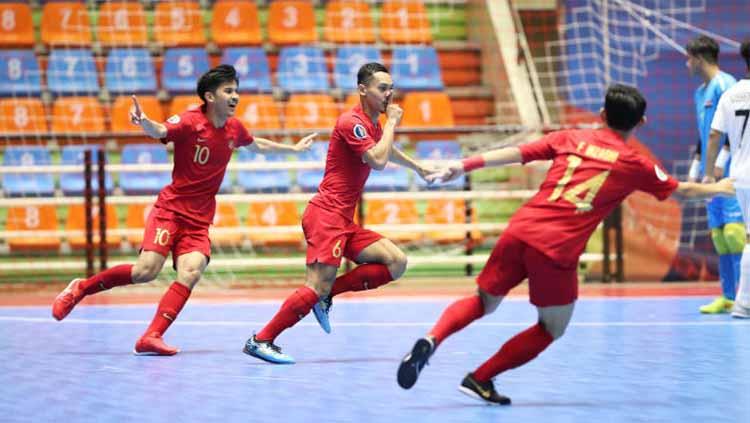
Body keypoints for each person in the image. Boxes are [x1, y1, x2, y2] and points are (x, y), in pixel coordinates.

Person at [396, 84, 736, 405]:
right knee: (550, 327)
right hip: (556, 250)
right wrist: (722, 188)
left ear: (602, 114)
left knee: (482, 301)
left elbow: (518, 153)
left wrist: (463, 165)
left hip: (520, 230)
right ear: (641, 122)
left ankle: (432, 338)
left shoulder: (569, 137)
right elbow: (683, 190)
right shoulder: (636, 164)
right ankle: (481, 378)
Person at [51, 65, 316, 355]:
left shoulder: (234, 128)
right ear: (209, 96)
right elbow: (161, 130)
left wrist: (292, 149)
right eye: (228, 91)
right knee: (145, 272)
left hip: (199, 221)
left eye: (236, 90)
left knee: (191, 271)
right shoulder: (190, 121)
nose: (235, 96)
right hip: (171, 211)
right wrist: (144, 122)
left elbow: (256, 145)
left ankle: (151, 336)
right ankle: (82, 288)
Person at [243, 62, 435, 364]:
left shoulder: (371, 124)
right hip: (326, 216)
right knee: (314, 286)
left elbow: (388, 150)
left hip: (344, 220)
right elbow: (377, 160)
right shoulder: (351, 122)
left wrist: (419, 167)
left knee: (396, 262)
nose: (389, 94)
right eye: (382, 88)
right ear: (363, 89)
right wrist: (393, 124)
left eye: (391, 88)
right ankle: (261, 339)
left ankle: (329, 294)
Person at [685, 35, 744, 314]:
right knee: (720, 236)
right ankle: (728, 295)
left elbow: (736, 128)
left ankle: (745, 295)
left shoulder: (728, 85)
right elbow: (705, 131)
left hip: (732, 170)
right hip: (710, 173)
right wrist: (697, 167)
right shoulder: (700, 93)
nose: (687, 63)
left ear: (698, 58)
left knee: (735, 234)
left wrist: (722, 159)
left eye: (689, 58)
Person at [703, 39, 750, 318]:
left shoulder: (731, 94)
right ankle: (743, 303)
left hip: (740, 176)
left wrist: (709, 173)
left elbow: (713, 136)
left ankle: (743, 302)